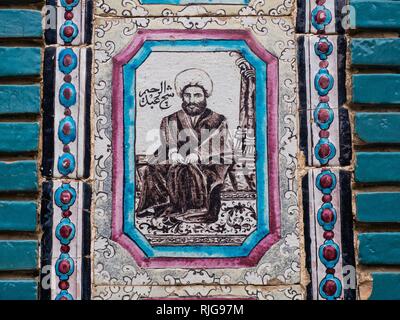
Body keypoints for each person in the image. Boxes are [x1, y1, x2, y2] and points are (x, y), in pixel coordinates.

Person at [136, 68, 234, 223]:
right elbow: (168, 139)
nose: (191, 100)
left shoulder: (218, 119)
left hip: (206, 163)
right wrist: (173, 152)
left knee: (191, 171)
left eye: (197, 95)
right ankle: (160, 205)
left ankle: (195, 210)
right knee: (152, 166)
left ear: (204, 97)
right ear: (182, 96)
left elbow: (221, 145)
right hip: (178, 159)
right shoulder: (171, 118)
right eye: (187, 95)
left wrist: (197, 155)